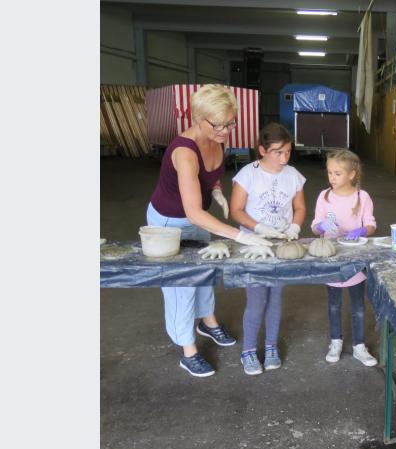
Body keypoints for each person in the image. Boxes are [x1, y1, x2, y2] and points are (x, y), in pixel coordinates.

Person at [146, 84, 271, 377]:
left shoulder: (218, 139)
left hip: (199, 217)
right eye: (219, 125)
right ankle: (188, 350)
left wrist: (215, 190)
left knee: (204, 273)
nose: (226, 131)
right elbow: (192, 212)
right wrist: (241, 235)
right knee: (181, 286)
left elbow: (210, 175)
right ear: (197, 117)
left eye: (230, 123)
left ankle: (208, 322)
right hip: (170, 222)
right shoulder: (184, 152)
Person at [229, 123, 306, 375]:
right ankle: (248, 350)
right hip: (256, 246)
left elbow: (300, 207)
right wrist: (258, 227)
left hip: (283, 244)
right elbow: (236, 210)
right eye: (278, 152)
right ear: (262, 150)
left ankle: (271, 345)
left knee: (276, 298)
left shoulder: (293, 174)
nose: (284, 158)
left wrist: (295, 227)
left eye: (288, 152)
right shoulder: (248, 174)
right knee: (257, 300)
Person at [311, 149, 378, 366]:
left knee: (358, 305)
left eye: (337, 173)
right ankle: (336, 342)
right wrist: (320, 226)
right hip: (332, 257)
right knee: (334, 304)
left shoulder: (362, 197)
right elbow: (315, 226)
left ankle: (359, 346)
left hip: (355, 258)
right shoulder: (325, 196)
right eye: (329, 172)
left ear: (351, 174)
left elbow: (371, 224)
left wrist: (362, 231)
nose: (332, 178)